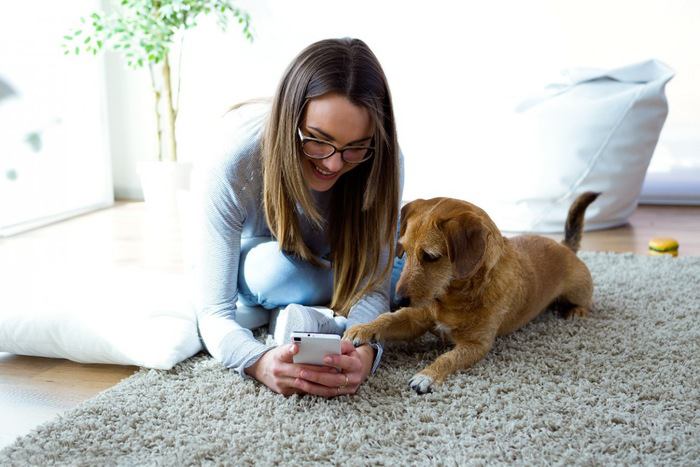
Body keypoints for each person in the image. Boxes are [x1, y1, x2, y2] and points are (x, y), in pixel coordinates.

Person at [192, 37, 403, 397]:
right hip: (278, 266)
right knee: (271, 272)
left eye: (354, 148)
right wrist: (258, 361)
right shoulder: (235, 161)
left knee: (405, 280)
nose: (334, 163)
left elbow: (373, 287)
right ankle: (314, 310)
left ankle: (304, 319)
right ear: (289, 120)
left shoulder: (382, 161)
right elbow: (213, 311)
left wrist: (364, 351)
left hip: (346, 267)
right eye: (317, 141)